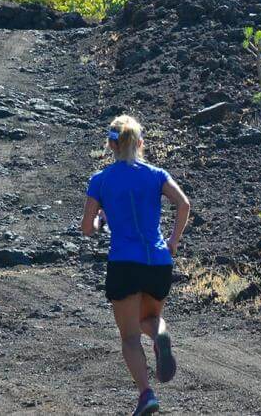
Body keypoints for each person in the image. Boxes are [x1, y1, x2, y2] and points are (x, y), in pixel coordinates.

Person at [81, 114, 191, 415]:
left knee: (130, 336)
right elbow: (183, 204)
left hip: (124, 263)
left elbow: (87, 228)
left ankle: (146, 395)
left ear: (110, 145)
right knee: (149, 320)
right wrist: (173, 240)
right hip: (158, 260)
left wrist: (102, 219)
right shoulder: (156, 174)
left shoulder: (101, 180)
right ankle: (160, 336)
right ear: (140, 143)